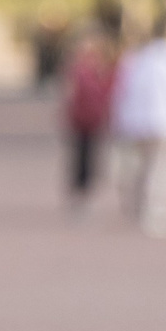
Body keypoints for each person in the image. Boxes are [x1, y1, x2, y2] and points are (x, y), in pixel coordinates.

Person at [110, 15, 166, 237]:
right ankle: (157, 212)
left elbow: (120, 93)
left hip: (137, 123)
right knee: (162, 170)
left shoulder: (133, 58)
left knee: (142, 167)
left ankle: (140, 207)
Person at [60, 18, 118, 210]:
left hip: (95, 116)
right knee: (80, 154)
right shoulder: (79, 66)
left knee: (92, 154)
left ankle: (87, 188)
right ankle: (80, 189)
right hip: (81, 116)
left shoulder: (102, 65)